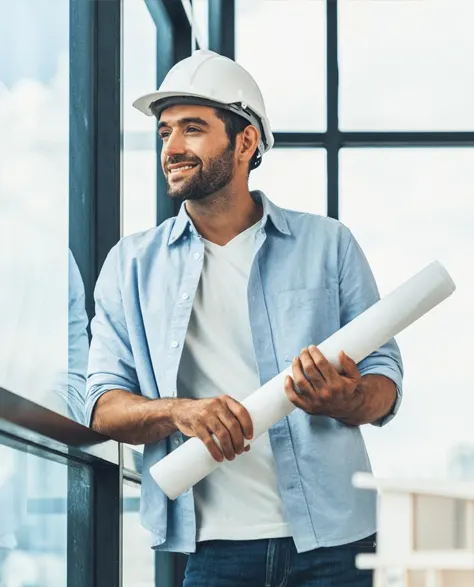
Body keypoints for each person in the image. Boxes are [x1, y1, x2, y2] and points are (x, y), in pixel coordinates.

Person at [86, 50, 403, 587]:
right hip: (215, 550)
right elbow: (102, 405)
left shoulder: (328, 245)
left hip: (335, 541)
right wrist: (180, 412)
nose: (173, 148)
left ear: (245, 142)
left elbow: (386, 385)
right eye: (165, 132)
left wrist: (344, 398)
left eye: (193, 129)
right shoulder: (131, 265)